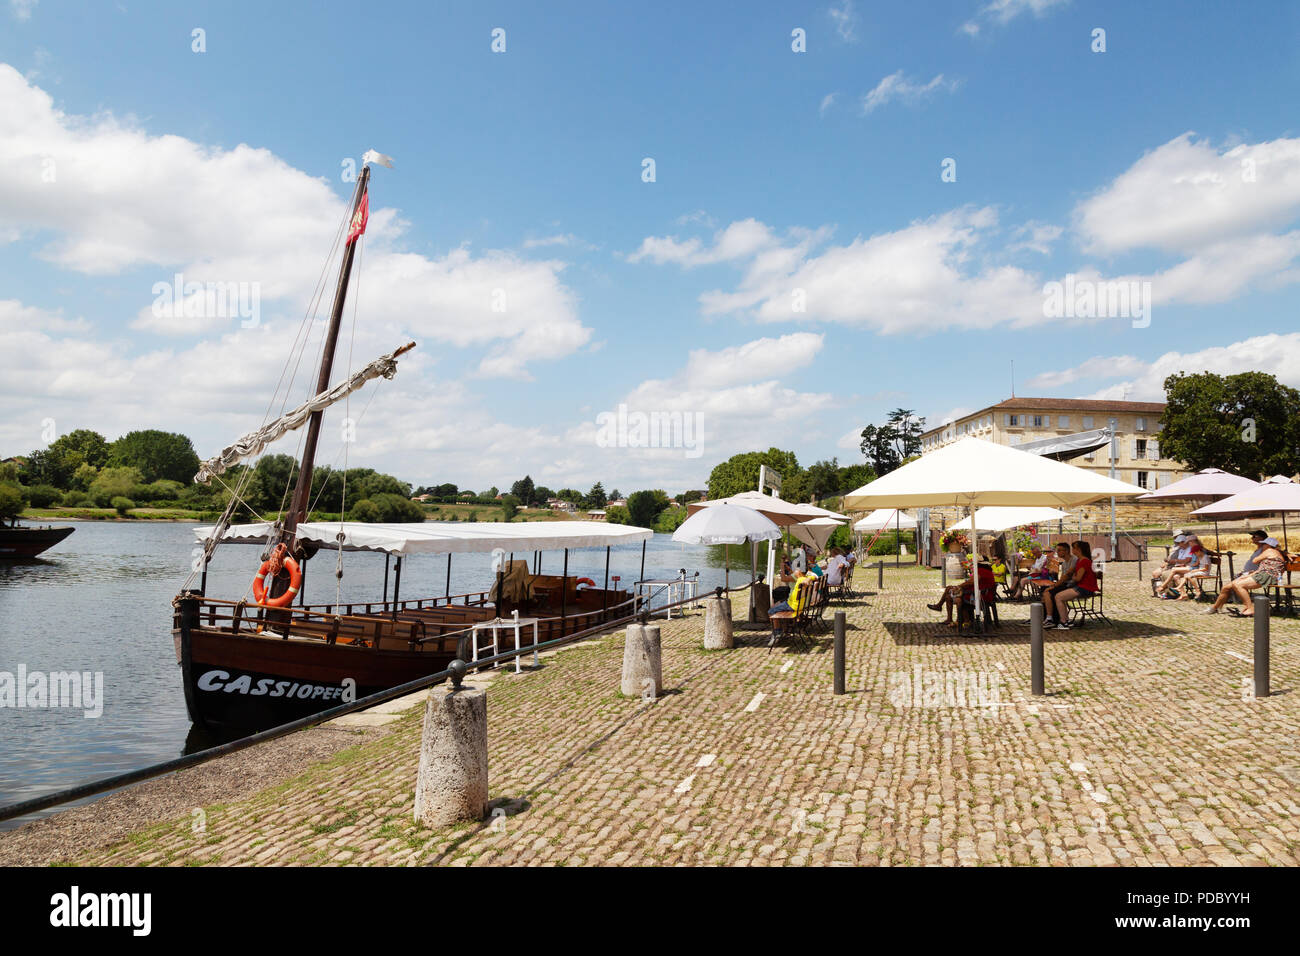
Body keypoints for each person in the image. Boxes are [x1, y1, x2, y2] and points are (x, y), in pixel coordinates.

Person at [1204, 536, 1289, 616]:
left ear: (1269, 545)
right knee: (1226, 587)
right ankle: (1215, 608)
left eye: (1263, 544)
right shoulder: (1274, 551)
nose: (1262, 546)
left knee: (1238, 585)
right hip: (1261, 573)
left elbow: (1255, 561)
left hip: (1267, 576)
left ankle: (1250, 608)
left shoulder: (1269, 551)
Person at [1046, 540, 1099, 629]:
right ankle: (1065, 621)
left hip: (1085, 588)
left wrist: (1074, 576)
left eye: (1074, 548)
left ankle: (1064, 622)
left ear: (1079, 550)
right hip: (1081, 586)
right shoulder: (1080, 560)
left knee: (1058, 597)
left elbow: (1078, 578)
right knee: (1058, 596)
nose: (1072, 550)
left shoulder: (1084, 561)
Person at [1040, 542, 1079, 626]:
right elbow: (1062, 578)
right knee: (1044, 591)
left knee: (1047, 592)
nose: (1057, 552)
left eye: (1059, 550)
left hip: (1072, 585)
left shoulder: (1074, 559)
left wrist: (1054, 586)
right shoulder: (1064, 563)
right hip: (1066, 584)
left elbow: (1067, 576)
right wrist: (1055, 585)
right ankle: (1049, 617)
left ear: (1066, 551)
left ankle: (1050, 618)